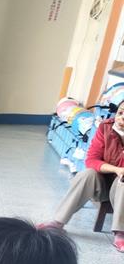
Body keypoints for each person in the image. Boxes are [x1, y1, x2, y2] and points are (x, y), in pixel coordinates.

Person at [38, 106, 124, 252]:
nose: (121, 118)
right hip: (103, 184)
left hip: (120, 189)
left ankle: (120, 233)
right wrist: (116, 169)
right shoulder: (106, 127)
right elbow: (91, 160)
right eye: (120, 112)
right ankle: (58, 222)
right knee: (87, 174)